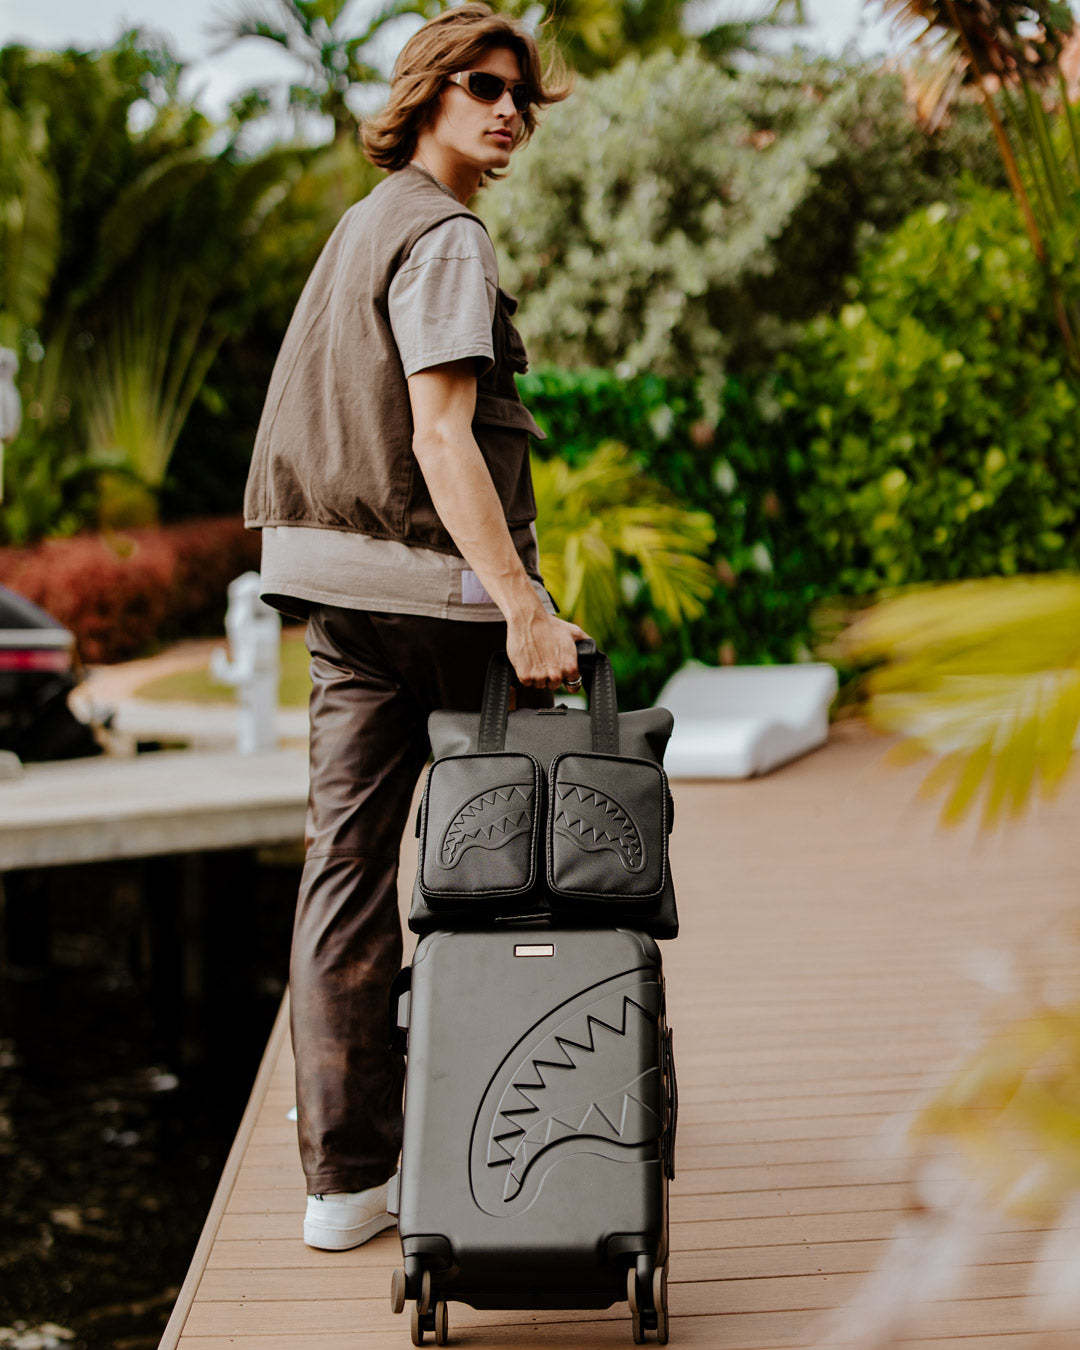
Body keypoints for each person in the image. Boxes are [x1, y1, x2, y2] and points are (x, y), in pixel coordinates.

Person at [242, 2, 588, 1251]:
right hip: (433, 594)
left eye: (520, 95)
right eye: (482, 87)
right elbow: (442, 438)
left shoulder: (362, 224)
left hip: (335, 590)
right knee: (533, 852)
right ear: (426, 93)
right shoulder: (445, 235)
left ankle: (343, 1184)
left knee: (345, 867)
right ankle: (532, 1115)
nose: (508, 112)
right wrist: (525, 607)